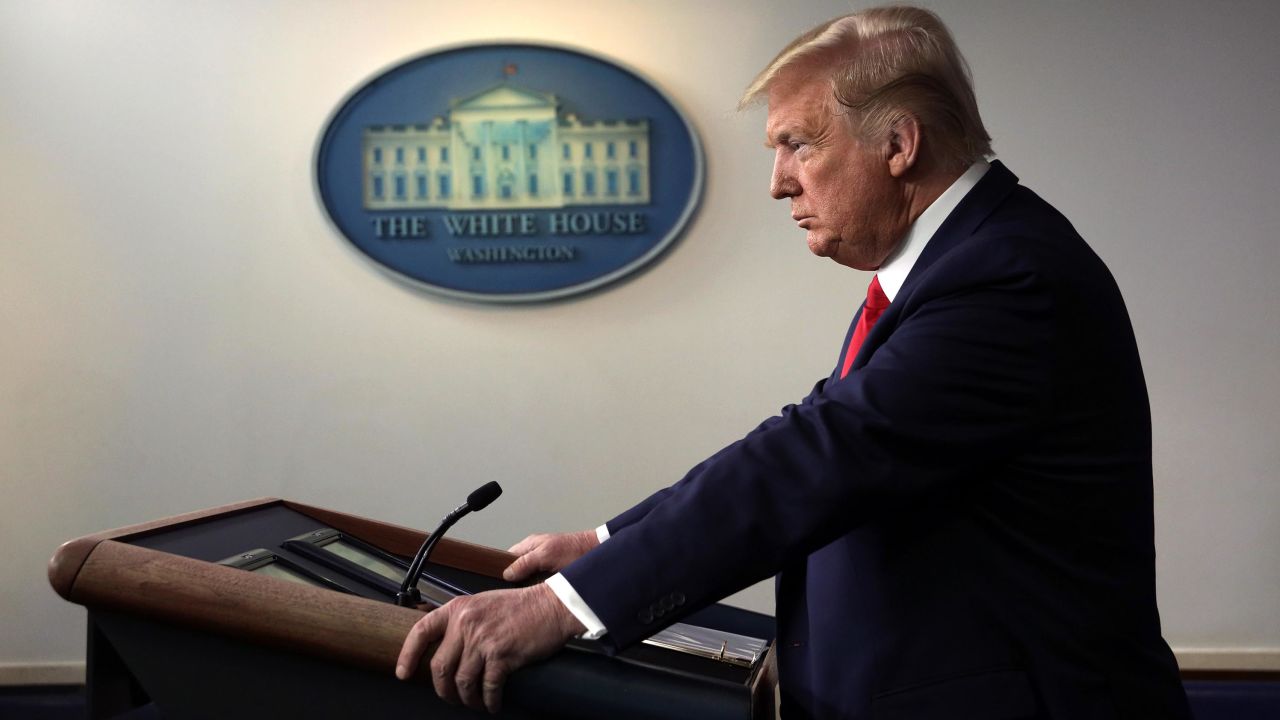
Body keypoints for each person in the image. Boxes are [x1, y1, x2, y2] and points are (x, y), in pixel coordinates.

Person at [397, 6, 1192, 718]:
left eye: (797, 145)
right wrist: (606, 542)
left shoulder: (1007, 278)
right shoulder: (959, 262)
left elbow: (817, 459)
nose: (779, 183)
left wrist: (563, 606)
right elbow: (809, 430)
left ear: (898, 144)